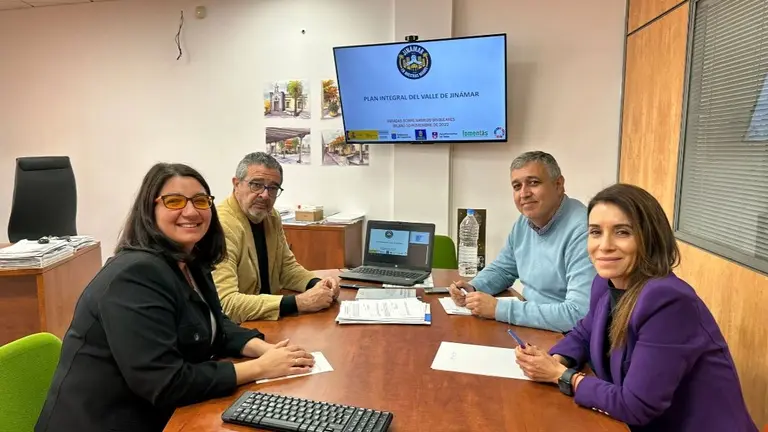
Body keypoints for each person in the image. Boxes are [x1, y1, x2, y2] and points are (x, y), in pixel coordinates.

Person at [35, 163, 315, 432]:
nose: (191, 211)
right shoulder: (134, 276)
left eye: (200, 201)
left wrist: (265, 350)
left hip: (163, 415)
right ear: (150, 209)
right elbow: (165, 382)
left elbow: (215, 323)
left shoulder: (191, 261)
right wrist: (259, 368)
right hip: (107, 422)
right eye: (174, 201)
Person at [515, 183, 757, 431]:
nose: (604, 245)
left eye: (622, 232)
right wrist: (556, 359)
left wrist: (561, 375)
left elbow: (636, 405)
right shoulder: (605, 283)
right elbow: (585, 333)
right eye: (595, 232)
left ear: (649, 238)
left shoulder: (668, 301)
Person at [448, 151, 595, 332]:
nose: (524, 193)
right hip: (532, 324)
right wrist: (473, 287)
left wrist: (499, 309)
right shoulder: (524, 222)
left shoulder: (584, 230)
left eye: (533, 183)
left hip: (565, 336)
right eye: (517, 186)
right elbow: (503, 269)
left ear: (558, 185)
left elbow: (578, 314)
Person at [213, 152, 339, 322]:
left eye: (272, 188)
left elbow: (286, 269)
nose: (265, 195)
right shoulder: (220, 225)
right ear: (236, 184)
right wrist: (299, 303)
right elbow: (226, 304)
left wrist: (318, 284)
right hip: (237, 327)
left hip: (268, 319)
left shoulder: (271, 216)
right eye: (256, 185)